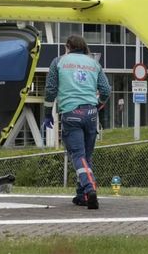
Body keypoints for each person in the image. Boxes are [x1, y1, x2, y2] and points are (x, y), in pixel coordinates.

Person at [42, 34, 111, 209]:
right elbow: (106, 89)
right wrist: (100, 104)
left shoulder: (58, 62)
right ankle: (82, 196)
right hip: (91, 113)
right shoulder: (94, 64)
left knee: (78, 156)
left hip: (71, 113)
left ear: (68, 47)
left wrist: (47, 112)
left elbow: (50, 89)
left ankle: (90, 188)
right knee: (86, 157)